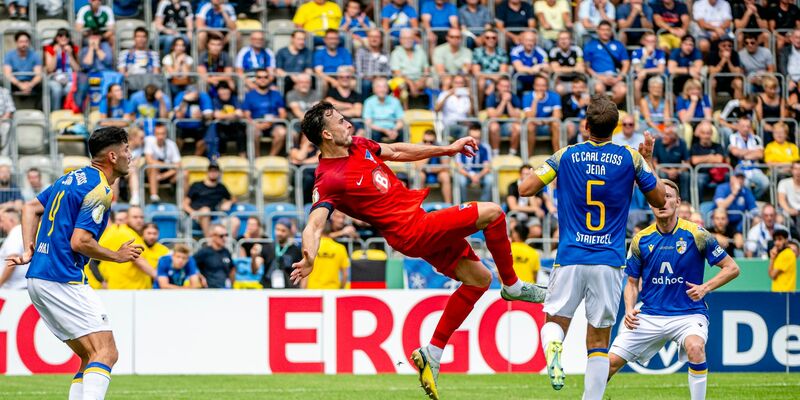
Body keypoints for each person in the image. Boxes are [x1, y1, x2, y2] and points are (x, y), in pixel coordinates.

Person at [292, 101, 545, 400]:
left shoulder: (359, 145)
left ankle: (432, 353)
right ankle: (513, 286)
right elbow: (315, 224)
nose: (348, 123)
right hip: (411, 230)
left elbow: (397, 151)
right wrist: (309, 256)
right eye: (341, 121)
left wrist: (447, 150)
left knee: (479, 279)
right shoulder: (329, 178)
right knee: (492, 212)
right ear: (327, 135)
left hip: (418, 224)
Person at [518, 95, 665, 398]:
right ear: (615, 128)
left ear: (585, 126)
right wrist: (647, 160)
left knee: (555, 322)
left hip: (570, 256)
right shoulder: (630, 158)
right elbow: (661, 200)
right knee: (599, 342)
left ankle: (554, 345)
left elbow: (525, 188)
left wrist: (552, 167)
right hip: (608, 260)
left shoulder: (566, 155)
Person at [7, 127, 142, 399]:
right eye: (127, 150)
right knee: (106, 351)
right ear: (113, 156)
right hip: (62, 276)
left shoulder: (72, 178)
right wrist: (116, 256)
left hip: (40, 275)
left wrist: (29, 248)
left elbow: (30, 208)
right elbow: (80, 242)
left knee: (89, 354)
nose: (132, 156)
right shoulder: (100, 189)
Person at [607, 180, 741, 400]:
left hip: (688, 314)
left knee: (696, 347)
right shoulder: (641, 240)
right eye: (658, 197)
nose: (663, 201)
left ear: (678, 202)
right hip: (649, 315)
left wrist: (705, 287)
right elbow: (631, 282)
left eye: (668, 196)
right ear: (651, 203)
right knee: (608, 363)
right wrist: (629, 308)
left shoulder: (697, 234)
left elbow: (732, 268)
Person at [92, 206, 156, 289]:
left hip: (128, 287)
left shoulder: (128, 233)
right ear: (127, 219)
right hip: (126, 288)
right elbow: (139, 261)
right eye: (135, 217)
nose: (139, 220)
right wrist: (159, 276)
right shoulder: (125, 233)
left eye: (141, 217)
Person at [242, 68, 289, 156]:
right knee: (252, 131)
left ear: (269, 79)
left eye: (265, 77)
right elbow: (246, 115)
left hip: (274, 123)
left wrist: (271, 122)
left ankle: (271, 157)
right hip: (256, 123)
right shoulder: (249, 95)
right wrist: (256, 125)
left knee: (282, 132)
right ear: (256, 79)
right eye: (259, 77)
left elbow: (283, 114)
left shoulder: (276, 94)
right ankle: (257, 159)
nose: (262, 79)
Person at [583, 21, 628, 107]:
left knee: (622, 90)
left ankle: (608, 109)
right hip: (597, 76)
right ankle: (607, 111)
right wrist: (600, 77)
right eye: (603, 30)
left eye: (608, 30)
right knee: (598, 88)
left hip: (615, 76)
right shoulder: (590, 45)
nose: (605, 32)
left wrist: (619, 77)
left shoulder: (618, 45)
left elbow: (626, 63)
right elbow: (586, 66)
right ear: (598, 31)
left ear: (611, 31)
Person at [183, 163, 234, 236]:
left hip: (213, 218)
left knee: (234, 221)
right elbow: (185, 204)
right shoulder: (197, 185)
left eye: (215, 171)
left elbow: (233, 198)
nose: (213, 173)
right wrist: (193, 212)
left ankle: (228, 245)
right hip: (195, 217)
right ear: (207, 172)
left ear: (219, 173)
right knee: (206, 210)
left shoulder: (221, 187)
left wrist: (229, 202)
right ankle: (209, 242)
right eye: (211, 171)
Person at [728, 117, 770, 199]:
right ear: (738, 126)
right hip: (740, 168)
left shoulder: (756, 139)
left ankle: (753, 199)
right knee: (745, 184)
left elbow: (760, 154)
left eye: (748, 126)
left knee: (765, 183)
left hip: (755, 168)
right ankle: (750, 201)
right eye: (743, 126)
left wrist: (743, 155)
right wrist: (752, 152)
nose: (745, 129)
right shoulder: (733, 137)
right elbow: (735, 152)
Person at [389, 28, 430, 108]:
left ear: (414, 39)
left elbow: (426, 70)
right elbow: (397, 73)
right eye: (405, 38)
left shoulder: (420, 51)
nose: (408, 40)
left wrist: (422, 80)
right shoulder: (396, 53)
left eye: (410, 38)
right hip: (404, 80)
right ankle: (403, 113)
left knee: (433, 81)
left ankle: (434, 111)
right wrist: (411, 84)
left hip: (420, 79)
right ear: (400, 40)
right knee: (399, 85)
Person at [257, 219, 303, 289]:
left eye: (283, 231)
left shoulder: (295, 249)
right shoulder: (267, 247)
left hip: (289, 289)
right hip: (268, 288)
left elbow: (301, 271)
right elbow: (255, 269)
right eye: (277, 229)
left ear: (289, 232)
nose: (279, 233)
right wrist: (254, 256)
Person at [205, 81, 246, 159]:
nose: (224, 94)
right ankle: (221, 159)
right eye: (222, 93)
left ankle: (243, 159)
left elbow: (241, 113)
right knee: (220, 136)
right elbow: (217, 115)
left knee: (241, 134)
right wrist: (233, 114)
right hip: (221, 127)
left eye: (226, 92)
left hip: (235, 127)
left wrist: (224, 115)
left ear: (229, 91)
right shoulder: (215, 100)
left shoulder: (234, 99)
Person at [523, 74, 562, 153]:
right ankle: (528, 156)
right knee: (530, 126)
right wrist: (535, 100)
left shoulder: (554, 96)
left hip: (548, 124)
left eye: (543, 86)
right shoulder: (527, 97)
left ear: (547, 87)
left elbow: (557, 116)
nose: (540, 88)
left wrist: (544, 121)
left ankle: (557, 157)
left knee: (556, 124)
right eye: (538, 85)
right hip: (534, 124)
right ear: (534, 86)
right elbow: (530, 117)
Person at [304, 222, 350, 289]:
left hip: (313, 289)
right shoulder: (340, 248)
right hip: (333, 290)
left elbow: (305, 272)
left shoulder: (311, 247)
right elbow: (345, 275)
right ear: (331, 230)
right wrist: (341, 289)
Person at [653, 124, 691, 201]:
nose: (663, 136)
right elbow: (654, 163)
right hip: (662, 170)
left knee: (686, 175)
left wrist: (677, 171)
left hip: (677, 171)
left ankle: (685, 201)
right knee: (662, 175)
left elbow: (687, 163)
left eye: (667, 135)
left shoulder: (682, 143)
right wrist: (668, 171)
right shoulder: (658, 142)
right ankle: (663, 199)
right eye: (663, 133)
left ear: (674, 137)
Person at [486, 76, 522, 155]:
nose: (505, 89)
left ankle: (512, 153)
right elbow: (493, 116)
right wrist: (503, 102)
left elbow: (516, 116)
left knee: (518, 127)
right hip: (495, 126)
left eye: (507, 86)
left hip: (508, 126)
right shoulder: (491, 97)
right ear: (498, 87)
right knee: (494, 126)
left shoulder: (514, 97)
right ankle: (495, 153)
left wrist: (508, 102)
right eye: (503, 86)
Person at [45, 29, 80, 111]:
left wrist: (70, 55)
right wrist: (55, 54)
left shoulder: (74, 49)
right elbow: (50, 69)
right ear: (56, 38)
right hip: (54, 77)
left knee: (70, 90)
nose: (63, 38)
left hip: (70, 78)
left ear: (69, 39)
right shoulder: (50, 49)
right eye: (60, 36)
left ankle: (69, 113)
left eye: (66, 36)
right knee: (57, 90)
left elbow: (77, 69)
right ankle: (55, 113)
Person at [456, 125, 493, 202]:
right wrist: (471, 176)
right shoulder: (461, 147)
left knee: (489, 180)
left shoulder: (486, 147)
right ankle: (464, 203)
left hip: (480, 173)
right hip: (466, 174)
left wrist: (478, 176)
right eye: (473, 138)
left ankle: (484, 203)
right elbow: (459, 168)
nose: (475, 141)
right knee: (461, 181)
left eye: (478, 138)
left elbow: (487, 167)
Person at [144, 124, 180, 203]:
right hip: (153, 172)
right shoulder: (150, 142)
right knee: (153, 167)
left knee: (184, 173)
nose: (160, 136)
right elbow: (149, 160)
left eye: (162, 134)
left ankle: (182, 200)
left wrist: (163, 176)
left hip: (168, 174)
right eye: (158, 134)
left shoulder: (171, 144)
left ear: (166, 134)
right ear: (155, 134)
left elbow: (178, 165)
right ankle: (154, 196)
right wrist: (169, 165)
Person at [173, 85, 213, 156]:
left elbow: (210, 116)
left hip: (198, 126)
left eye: (196, 94)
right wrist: (185, 101)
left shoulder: (203, 96)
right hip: (182, 126)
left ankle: (195, 159)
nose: (195, 96)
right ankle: (176, 158)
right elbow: (178, 115)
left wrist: (202, 115)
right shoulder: (180, 96)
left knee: (203, 142)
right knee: (177, 140)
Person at [362, 77, 405, 142]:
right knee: (374, 134)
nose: (382, 89)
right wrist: (384, 130)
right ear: (374, 89)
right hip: (377, 129)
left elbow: (401, 121)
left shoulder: (395, 101)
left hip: (392, 128)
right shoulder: (368, 102)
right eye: (379, 87)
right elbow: (368, 123)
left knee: (402, 132)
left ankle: (401, 152)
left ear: (387, 89)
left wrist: (394, 130)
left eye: (384, 87)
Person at [3, 32, 42, 101]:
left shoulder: (35, 55)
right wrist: (19, 84)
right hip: (14, 82)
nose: (24, 44)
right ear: (16, 42)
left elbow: (38, 75)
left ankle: (40, 109)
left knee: (44, 85)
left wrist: (30, 85)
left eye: (26, 41)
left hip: (30, 82)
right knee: (4, 84)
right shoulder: (9, 55)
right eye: (21, 42)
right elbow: (7, 74)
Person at [416, 130, 453, 204]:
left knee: (445, 175)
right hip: (425, 173)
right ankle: (418, 205)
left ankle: (448, 205)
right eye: (425, 141)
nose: (428, 144)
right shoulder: (418, 146)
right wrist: (428, 153)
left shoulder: (441, 147)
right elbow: (418, 167)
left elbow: (446, 167)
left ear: (435, 141)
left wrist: (430, 169)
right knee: (420, 176)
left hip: (438, 174)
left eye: (431, 142)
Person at [690, 121, 727, 194]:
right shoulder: (695, 147)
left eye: (708, 133)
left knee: (729, 176)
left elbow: (719, 159)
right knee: (699, 180)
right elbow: (694, 160)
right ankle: (698, 204)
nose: (706, 136)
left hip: (717, 174)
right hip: (702, 173)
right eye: (703, 133)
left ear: (711, 134)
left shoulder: (718, 146)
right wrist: (711, 157)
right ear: (699, 134)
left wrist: (702, 159)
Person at [194, 224, 235, 288]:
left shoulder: (226, 251)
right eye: (221, 236)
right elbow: (191, 265)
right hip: (209, 290)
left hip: (225, 290)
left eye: (226, 235)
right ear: (213, 236)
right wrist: (200, 276)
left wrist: (232, 285)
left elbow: (232, 268)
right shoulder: (204, 252)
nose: (224, 238)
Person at [510, 30, 549, 95]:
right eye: (527, 40)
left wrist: (539, 66)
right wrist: (533, 70)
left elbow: (547, 67)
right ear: (522, 41)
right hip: (520, 80)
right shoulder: (516, 51)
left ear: (535, 42)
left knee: (543, 83)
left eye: (532, 40)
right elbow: (519, 68)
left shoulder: (541, 52)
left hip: (535, 79)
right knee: (518, 87)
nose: (530, 43)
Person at [631, 32, 666, 103]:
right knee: (637, 82)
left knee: (658, 82)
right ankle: (638, 107)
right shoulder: (637, 52)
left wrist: (645, 71)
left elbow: (661, 69)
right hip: (641, 76)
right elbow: (637, 68)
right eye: (648, 41)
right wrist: (646, 55)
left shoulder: (660, 52)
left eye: (653, 41)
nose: (651, 43)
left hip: (655, 76)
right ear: (644, 42)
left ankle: (656, 107)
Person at [706, 37, 744, 101]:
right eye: (724, 45)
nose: (727, 48)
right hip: (717, 81)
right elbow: (712, 72)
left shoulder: (734, 54)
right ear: (719, 46)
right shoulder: (712, 54)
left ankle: (737, 109)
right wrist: (723, 60)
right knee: (711, 82)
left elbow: (737, 73)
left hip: (730, 81)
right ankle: (712, 108)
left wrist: (728, 60)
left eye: (729, 46)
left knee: (738, 82)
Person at [0, 209, 28, 289]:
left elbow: (12, 263)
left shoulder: (15, 233)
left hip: (15, 290)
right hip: (20, 288)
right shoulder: (21, 232)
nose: (1, 226)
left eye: (1, 221)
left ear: (11, 220)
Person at [769, 228, 797, 292]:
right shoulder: (781, 254)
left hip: (784, 294)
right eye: (775, 240)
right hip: (780, 294)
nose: (777, 243)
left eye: (780, 239)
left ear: (786, 240)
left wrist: (772, 259)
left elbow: (772, 275)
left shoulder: (786, 254)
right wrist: (773, 258)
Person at [778, 162, 800, 230]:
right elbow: (781, 200)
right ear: (791, 170)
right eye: (796, 169)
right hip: (788, 214)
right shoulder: (784, 183)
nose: (798, 172)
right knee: (779, 219)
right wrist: (789, 210)